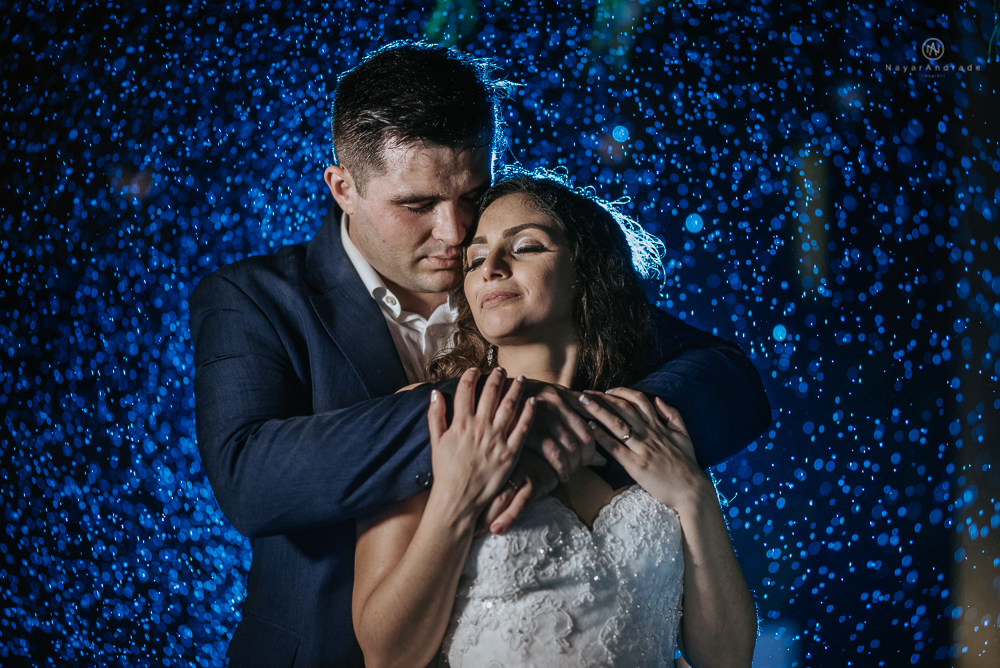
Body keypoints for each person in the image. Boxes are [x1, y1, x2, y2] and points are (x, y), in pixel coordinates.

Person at [191, 41, 769, 667]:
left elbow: (726, 378)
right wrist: (504, 413)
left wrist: (599, 429)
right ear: (344, 188)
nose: (456, 232)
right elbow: (250, 478)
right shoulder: (253, 299)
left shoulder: (537, 288)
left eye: (472, 194)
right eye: (418, 206)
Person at [353, 173, 757, 667]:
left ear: (585, 269)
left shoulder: (648, 423)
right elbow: (385, 655)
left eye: (524, 247)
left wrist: (694, 497)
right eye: (475, 260)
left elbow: (727, 657)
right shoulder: (439, 415)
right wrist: (456, 500)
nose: (492, 268)